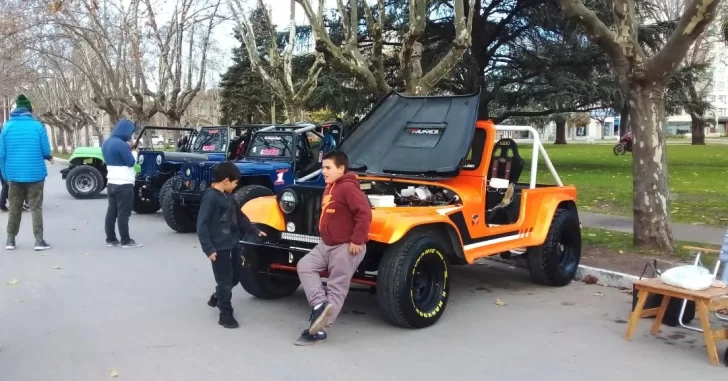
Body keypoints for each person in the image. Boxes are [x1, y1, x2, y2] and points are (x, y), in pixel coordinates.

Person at [295, 150, 371, 346]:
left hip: (345, 247)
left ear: (341, 169)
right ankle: (320, 304)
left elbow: (364, 213)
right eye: (323, 168)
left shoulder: (347, 188)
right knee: (304, 265)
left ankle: (319, 331)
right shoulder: (330, 187)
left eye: (328, 168)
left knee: (337, 287)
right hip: (326, 245)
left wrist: (357, 240)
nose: (323, 172)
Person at [197, 161, 266, 329]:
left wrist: (254, 230)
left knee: (235, 277)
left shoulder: (229, 197)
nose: (236, 186)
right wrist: (208, 248)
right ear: (226, 180)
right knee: (225, 280)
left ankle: (217, 295)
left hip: (234, 243)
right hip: (218, 248)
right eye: (235, 183)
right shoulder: (211, 197)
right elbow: (202, 224)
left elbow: (240, 217)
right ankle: (225, 312)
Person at [0, 95, 53, 251]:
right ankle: (39, 241)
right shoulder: (38, 126)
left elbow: (1, 154)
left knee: (14, 208)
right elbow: (46, 151)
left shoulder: (6, 127)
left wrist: (5, 176)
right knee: (36, 208)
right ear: (30, 110)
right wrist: (47, 157)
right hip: (36, 175)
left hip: (13, 176)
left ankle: (10, 240)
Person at [102, 118, 142, 248]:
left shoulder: (107, 143)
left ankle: (111, 239)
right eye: (130, 133)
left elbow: (118, 157)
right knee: (124, 213)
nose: (131, 136)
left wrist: (128, 149)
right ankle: (126, 240)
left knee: (111, 212)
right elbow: (131, 162)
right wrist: (135, 153)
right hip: (124, 184)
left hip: (111, 182)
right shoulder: (121, 145)